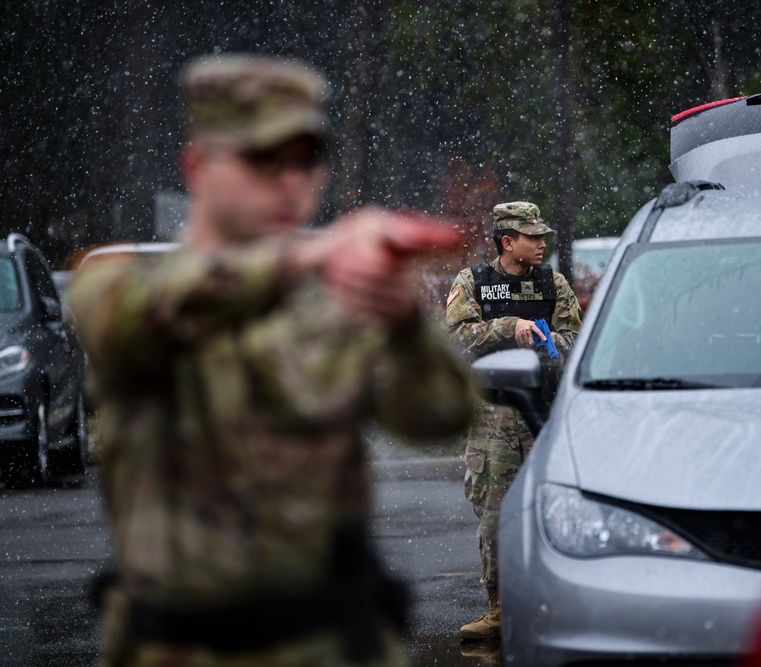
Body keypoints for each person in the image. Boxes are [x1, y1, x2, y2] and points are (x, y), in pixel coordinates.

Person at [69, 53, 477, 667]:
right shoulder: (121, 287)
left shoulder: (336, 304)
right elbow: (136, 322)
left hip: (334, 644)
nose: (291, 182)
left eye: (306, 161)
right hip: (175, 647)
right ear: (198, 166)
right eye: (264, 161)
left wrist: (403, 321)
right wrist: (310, 256)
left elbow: (440, 414)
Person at [445, 201, 583, 641]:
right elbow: (457, 338)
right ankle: (499, 609)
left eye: (543, 236)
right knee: (495, 516)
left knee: (558, 512)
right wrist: (509, 327)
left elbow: (576, 340)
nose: (542, 244)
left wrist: (542, 340)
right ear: (508, 242)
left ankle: (558, 604)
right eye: (533, 236)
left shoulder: (552, 283)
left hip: (544, 414)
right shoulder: (474, 283)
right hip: (493, 419)